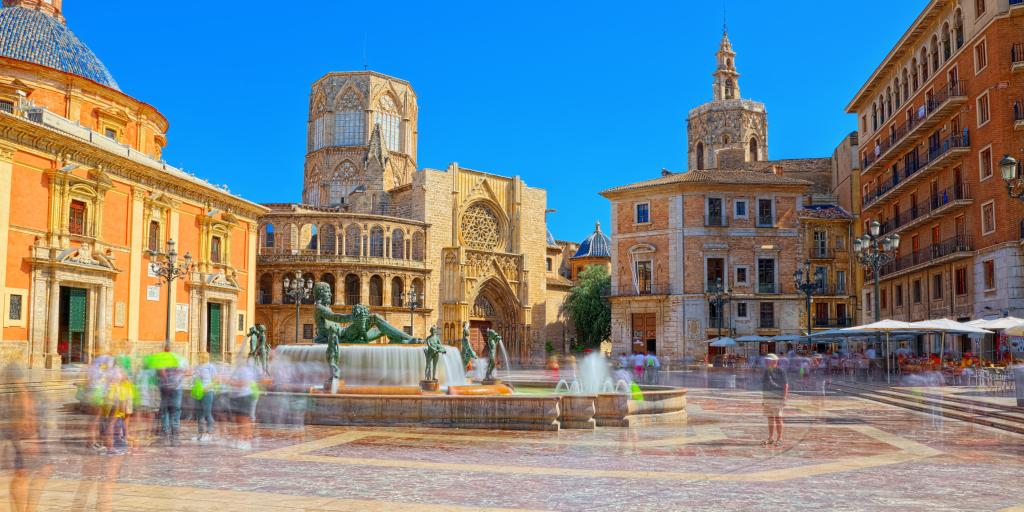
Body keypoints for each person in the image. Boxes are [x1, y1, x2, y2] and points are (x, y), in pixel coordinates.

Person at [761, 353, 789, 447]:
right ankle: (770, 438)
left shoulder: (781, 371)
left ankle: (780, 438)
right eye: (766, 361)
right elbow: (764, 386)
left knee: (778, 418)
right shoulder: (766, 371)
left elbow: (785, 385)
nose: (766, 362)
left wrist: (784, 398)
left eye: (768, 361)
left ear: (774, 361)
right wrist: (764, 399)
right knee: (770, 418)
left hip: (778, 397)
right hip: (768, 397)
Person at [192, 355, 218, 441]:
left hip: (207, 392)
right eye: (200, 356)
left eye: (203, 356)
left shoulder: (210, 367)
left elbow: (216, 380)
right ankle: (201, 433)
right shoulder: (197, 367)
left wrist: (207, 387)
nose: (201, 358)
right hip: (198, 392)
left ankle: (209, 433)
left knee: (207, 413)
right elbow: (194, 379)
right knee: (199, 414)